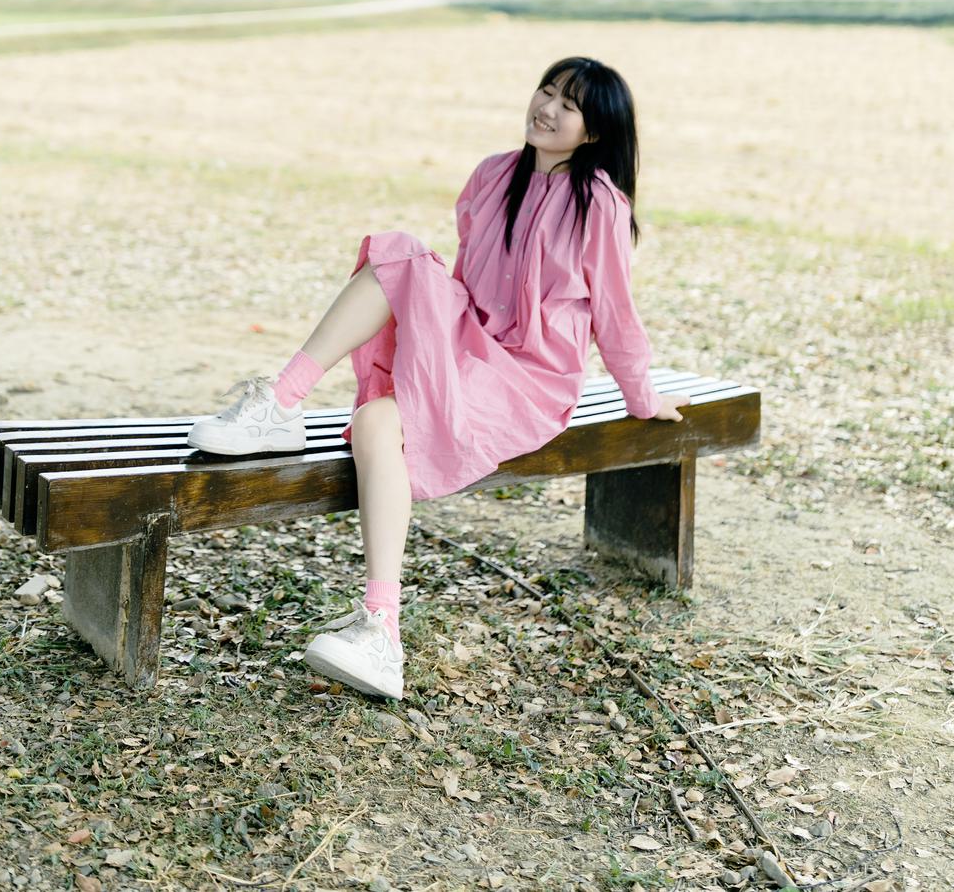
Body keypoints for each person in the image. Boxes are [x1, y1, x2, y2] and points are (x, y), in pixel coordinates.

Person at [187, 55, 691, 700]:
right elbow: (465, 279)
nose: (547, 109)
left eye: (569, 106)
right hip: (469, 344)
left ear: (594, 131)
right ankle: (285, 410)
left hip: (528, 378)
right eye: (546, 92)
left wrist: (641, 396)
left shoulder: (599, 204)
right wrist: (434, 331)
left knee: (380, 408)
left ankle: (379, 624)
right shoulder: (493, 174)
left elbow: (615, 314)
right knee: (394, 273)